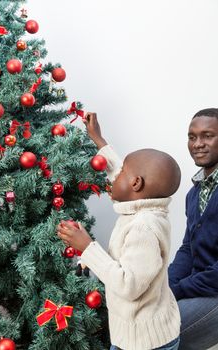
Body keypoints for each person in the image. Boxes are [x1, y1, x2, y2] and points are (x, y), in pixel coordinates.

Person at [57, 113, 181, 350]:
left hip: (148, 343)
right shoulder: (144, 204)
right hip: (133, 336)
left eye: (123, 171)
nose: (115, 173)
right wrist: (99, 140)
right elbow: (121, 176)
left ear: (136, 184)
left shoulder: (143, 227)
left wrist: (88, 248)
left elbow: (128, 285)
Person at [168, 108, 218, 350]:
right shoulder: (194, 193)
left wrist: (177, 290)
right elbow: (188, 248)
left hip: (215, 292)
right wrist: (165, 284)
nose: (198, 144)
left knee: (157, 331)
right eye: (192, 137)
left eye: (208, 135)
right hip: (200, 286)